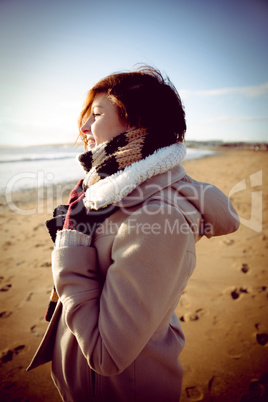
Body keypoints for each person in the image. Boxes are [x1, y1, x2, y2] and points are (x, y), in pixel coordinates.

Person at [27, 66, 239, 401]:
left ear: (139, 122)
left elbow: (106, 355)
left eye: (96, 115)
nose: (84, 128)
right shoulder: (102, 192)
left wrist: (72, 240)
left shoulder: (157, 217)